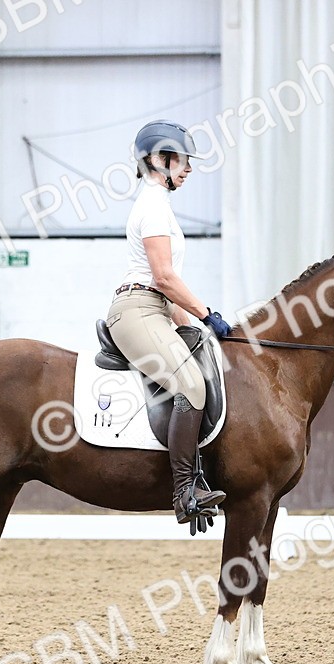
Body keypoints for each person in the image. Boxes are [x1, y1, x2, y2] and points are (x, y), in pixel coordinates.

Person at [105, 120, 233, 524]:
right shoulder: (153, 206)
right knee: (191, 385)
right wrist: (206, 312)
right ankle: (185, 490)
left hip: (156, 310)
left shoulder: (160, 205)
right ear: (160, 161)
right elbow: (162, 278)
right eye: (183, 160)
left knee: (202, 361)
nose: (189, 169)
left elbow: (166, 292)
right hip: (137, 310)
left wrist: (198, 326)